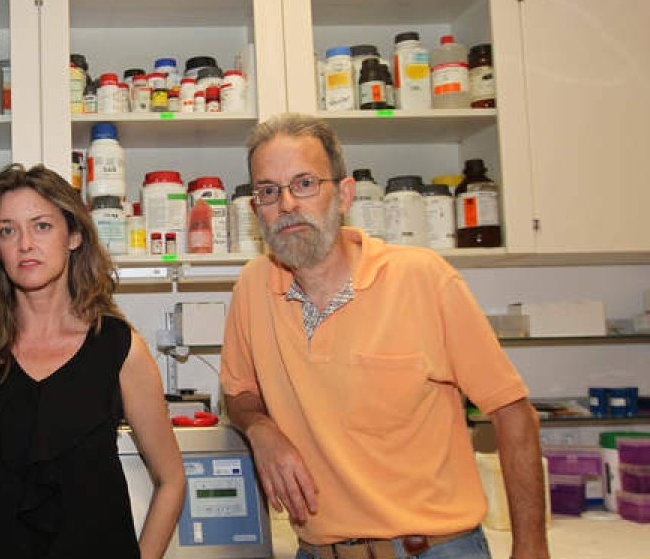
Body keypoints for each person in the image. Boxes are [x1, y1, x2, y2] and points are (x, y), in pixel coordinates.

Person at [220, 114, 549, 559]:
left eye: (304, 184)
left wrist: (531, 547)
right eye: (268, 191)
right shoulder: (252, 288)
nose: (287, 205)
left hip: (434, 549)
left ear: (344, 195)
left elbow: (514, 414)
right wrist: (260, 428)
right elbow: (238, 391)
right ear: (256, 208)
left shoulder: (423, 278)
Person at [0, 164, 185, 559]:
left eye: (42, 226)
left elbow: (172, 479)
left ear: (74, 235)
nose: (25, 243)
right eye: (7, 230)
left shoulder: (120, 348)